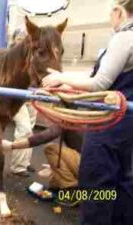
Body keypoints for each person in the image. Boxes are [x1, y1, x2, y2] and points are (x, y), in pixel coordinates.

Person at [42, 0, 133, 224]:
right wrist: (70, 86)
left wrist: (61, 78)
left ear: (118, 11)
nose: (110, 20)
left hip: (108, 126)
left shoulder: (124, 37)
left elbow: (99, 83)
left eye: (110, 15)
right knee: (122, 184)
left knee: (94, 183)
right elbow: (102, 81)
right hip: (126, 128)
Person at [2, 123, 84, 190]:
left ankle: (72, 189)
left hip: (86, 164)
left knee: (50, 149)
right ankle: (83, 185)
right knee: (54, 183)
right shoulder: (87, 114)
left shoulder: (67, 118)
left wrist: (12, 146)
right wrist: (54, 167)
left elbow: (43, 137)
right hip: (92, 166)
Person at [8, 29, 37, 177]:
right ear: (14, 39)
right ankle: (18, 167)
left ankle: (25, 162)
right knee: (24, 129)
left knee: (30, 129)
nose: (23, 40)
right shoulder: (10, 55)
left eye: (25, 38)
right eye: (19, 38)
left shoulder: (31, 53)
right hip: (16, 97)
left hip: (31, 95)